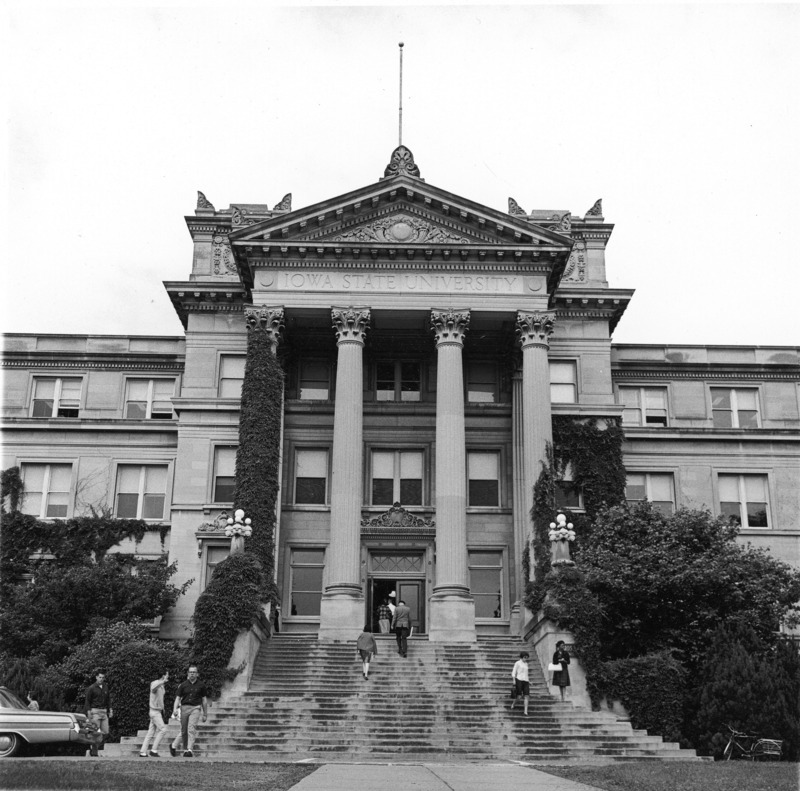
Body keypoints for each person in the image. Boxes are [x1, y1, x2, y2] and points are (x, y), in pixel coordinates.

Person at [169, 666, 208, 758]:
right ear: (188, 673)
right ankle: (182, 748)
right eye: (190, 672)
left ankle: (189, 750)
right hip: (184, 708)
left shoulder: (201, 685)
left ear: (197, 674)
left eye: (194, 672)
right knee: (184, 730)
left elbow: (204, 700)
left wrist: (205, 714)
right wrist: (175, 709)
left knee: (191, 728)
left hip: (196, 708)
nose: (192, 674)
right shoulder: (183, 685)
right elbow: (178, 698)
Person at [139, 670, 170, 757]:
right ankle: (154, 750)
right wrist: (162, 681)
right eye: (167, 675)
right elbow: (153, 688)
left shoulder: (162, 686)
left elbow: (160, 699)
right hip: (154, 712)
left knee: (150, 732)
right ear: (163, 676)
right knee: (163, 730)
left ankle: (143, 752)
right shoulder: (156, 683)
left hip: (157, 712)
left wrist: (163, 710)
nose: (168, 677)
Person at [84, 670, 113, 756]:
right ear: (96, 677)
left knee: (105, 732)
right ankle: (94, 752)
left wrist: (110, 710)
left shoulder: (105, 687)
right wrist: (89, 712)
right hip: (95, 711)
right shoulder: (92, 688)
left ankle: (93, 747)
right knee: (95, 732)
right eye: (100, 677)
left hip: (104, 712)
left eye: (103, 677)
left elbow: (108, 700)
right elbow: (87, 701)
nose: (101, 679)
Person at [511, 651, 530, 715]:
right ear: (522, 657)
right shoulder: (517, 663)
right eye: (525, 657)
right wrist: (514, 680)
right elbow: (514, 672)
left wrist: (529, 681)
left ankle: (525, 711)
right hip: (519, 680)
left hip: (526, 681)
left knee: (526, 696)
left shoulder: (526, 664)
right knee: (519, 697)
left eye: (527, 658)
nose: (526, 659)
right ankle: (513, 703)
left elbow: (526, 674)